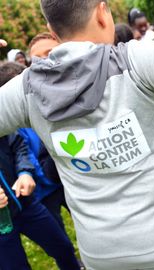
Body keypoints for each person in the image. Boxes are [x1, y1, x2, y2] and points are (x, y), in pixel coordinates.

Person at [0, 0, 154, 269]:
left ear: (51, 28)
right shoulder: (136, 63)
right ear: (102, 12)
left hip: (102, 255)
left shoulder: (27, 91)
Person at [0, 63, 81, 270]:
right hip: (1, 226)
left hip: (26, 204)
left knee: (62, 247)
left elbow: (17, 144)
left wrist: (24, 172)